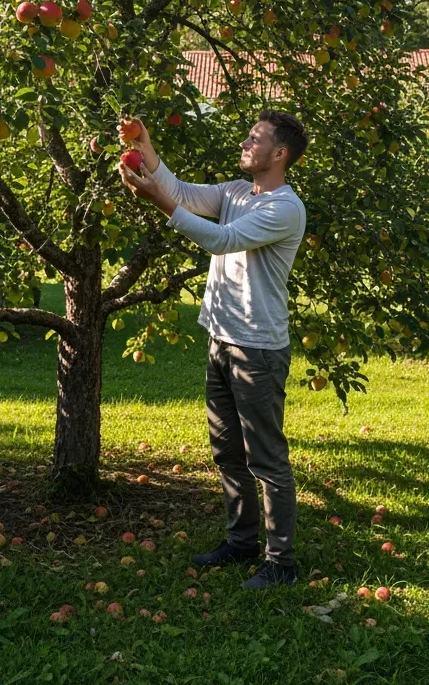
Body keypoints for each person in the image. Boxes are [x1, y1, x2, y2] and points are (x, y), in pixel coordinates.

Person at [117, 109, 308, 589]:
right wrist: (145, 143)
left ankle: (281, 563)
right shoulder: (237, 192)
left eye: (254, 138)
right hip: (221, 338)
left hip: (257, 350)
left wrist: (159, 203)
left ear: (279, 153)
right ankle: (241, 542)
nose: (245, 143)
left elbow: (222, 241)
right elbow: (181, 191)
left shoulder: (285, 208)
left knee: (266, 460)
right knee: (227, 452)